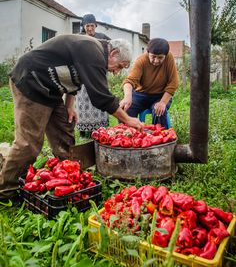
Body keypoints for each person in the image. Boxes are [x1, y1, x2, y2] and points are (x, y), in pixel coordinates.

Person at [0, 34, 144, 202]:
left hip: (51, 89)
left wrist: (69, 105)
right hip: (32, 81)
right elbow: (101, 97)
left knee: (64, 128)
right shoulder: (93, 51)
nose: (116, 71)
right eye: (119, 66)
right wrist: (128, 120)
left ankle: (66, 177)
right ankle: (5, 192)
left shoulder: (94, 51)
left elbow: (74, 77)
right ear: (113, 53)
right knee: (29, 143)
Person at [120, 38, 179, 129]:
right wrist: (127, 97)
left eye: (160, 58)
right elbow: (129, 81)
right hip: (141, 95)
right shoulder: (141, 60)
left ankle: (162, 138)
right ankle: (128, 136)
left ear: (165, 56)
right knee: (125, 109)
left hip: (160, 95)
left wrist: (163, 102)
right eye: (153, 56)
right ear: (148, 53)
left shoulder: (169, 58)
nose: (156, 60)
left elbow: (173, 83)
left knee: (159, 111)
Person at [77, 14, 110, 138]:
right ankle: (82, 132)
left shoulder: (102, 38)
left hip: (99, 74)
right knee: (82, 103)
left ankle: (99, 128)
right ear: (83, 26)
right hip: (83, 75)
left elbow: (112, 48)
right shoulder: (78, 37)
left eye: (92, 25)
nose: (90, 28)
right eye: (87, 26)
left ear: (95, 25)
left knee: (99, 98)